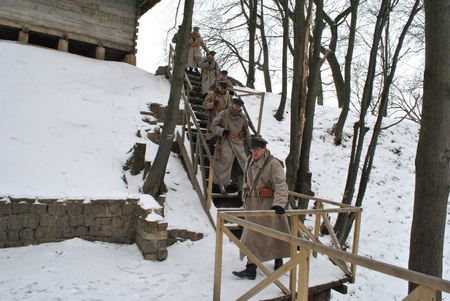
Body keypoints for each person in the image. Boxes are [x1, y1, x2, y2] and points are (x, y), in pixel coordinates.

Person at [232, 136, 290, 280]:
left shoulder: (274, 164)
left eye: (257, 150)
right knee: (252, 236)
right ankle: (251, 269)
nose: (254, 153)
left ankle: (278, 260)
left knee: (275, 235)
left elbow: (281, 184)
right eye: (252, 150)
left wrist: (279, 203)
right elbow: (247, 179)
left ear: (264, 149)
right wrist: (244, 190)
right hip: (253, 205)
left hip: (269, 205)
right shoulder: (249, 161)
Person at [210, 98, 251, 192]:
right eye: (236, 106)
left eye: (239, 107)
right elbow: (213, 126)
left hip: (238, 143)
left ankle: (242, 188)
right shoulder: (224, 114)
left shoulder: (243, 117)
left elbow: (246, 131)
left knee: (244, 164)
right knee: (224, 163)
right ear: (232, 104)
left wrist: (250, 145)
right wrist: (222, 131)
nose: (238, 108)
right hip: (226, 141)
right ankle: (219, 185)